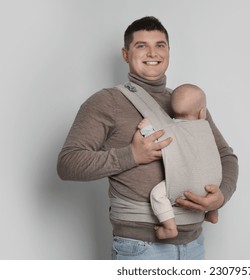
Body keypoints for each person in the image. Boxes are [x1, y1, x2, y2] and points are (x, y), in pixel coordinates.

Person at [57, 16, 238, 260]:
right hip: (141, 247)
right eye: (141, 45)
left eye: (160, 45)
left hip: (195, 244)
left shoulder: (189, 101)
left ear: (169, 51)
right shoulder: (106, 102)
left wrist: (222, 195)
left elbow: (225, 155)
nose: (152, 52)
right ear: (125, 54)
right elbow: (68, 164)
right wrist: (131, 156)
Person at [138, 83, 220, 239]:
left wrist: (147, 128)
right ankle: (213, 213)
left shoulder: (172, 128)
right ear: (203, 113)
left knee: (157, 195)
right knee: (212, 186)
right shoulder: (206, 128)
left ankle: (169, 227)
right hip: (212, 183)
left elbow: (160, 142)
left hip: (184, 183)